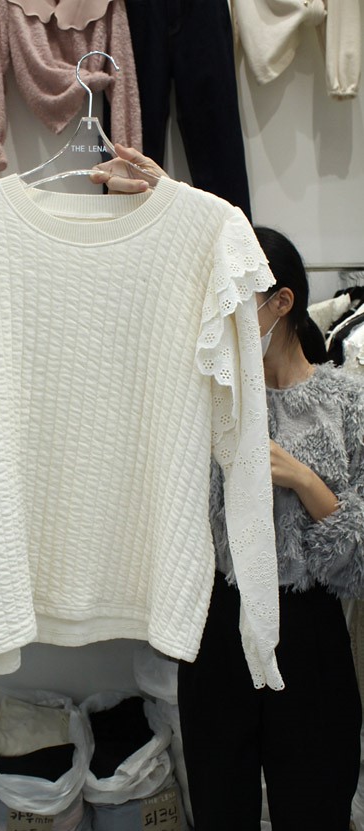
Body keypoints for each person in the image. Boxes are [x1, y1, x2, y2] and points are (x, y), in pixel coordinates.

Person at [95, 147, 364, 830]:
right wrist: (169, 200)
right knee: (219, 807)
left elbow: (358, 561)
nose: (219, 316)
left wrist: (302, 478)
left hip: (310, 632)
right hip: (218, 624)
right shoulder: (206, 396)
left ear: (282, 302)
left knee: (317, 805)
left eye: (237, 301)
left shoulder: (346, 402)